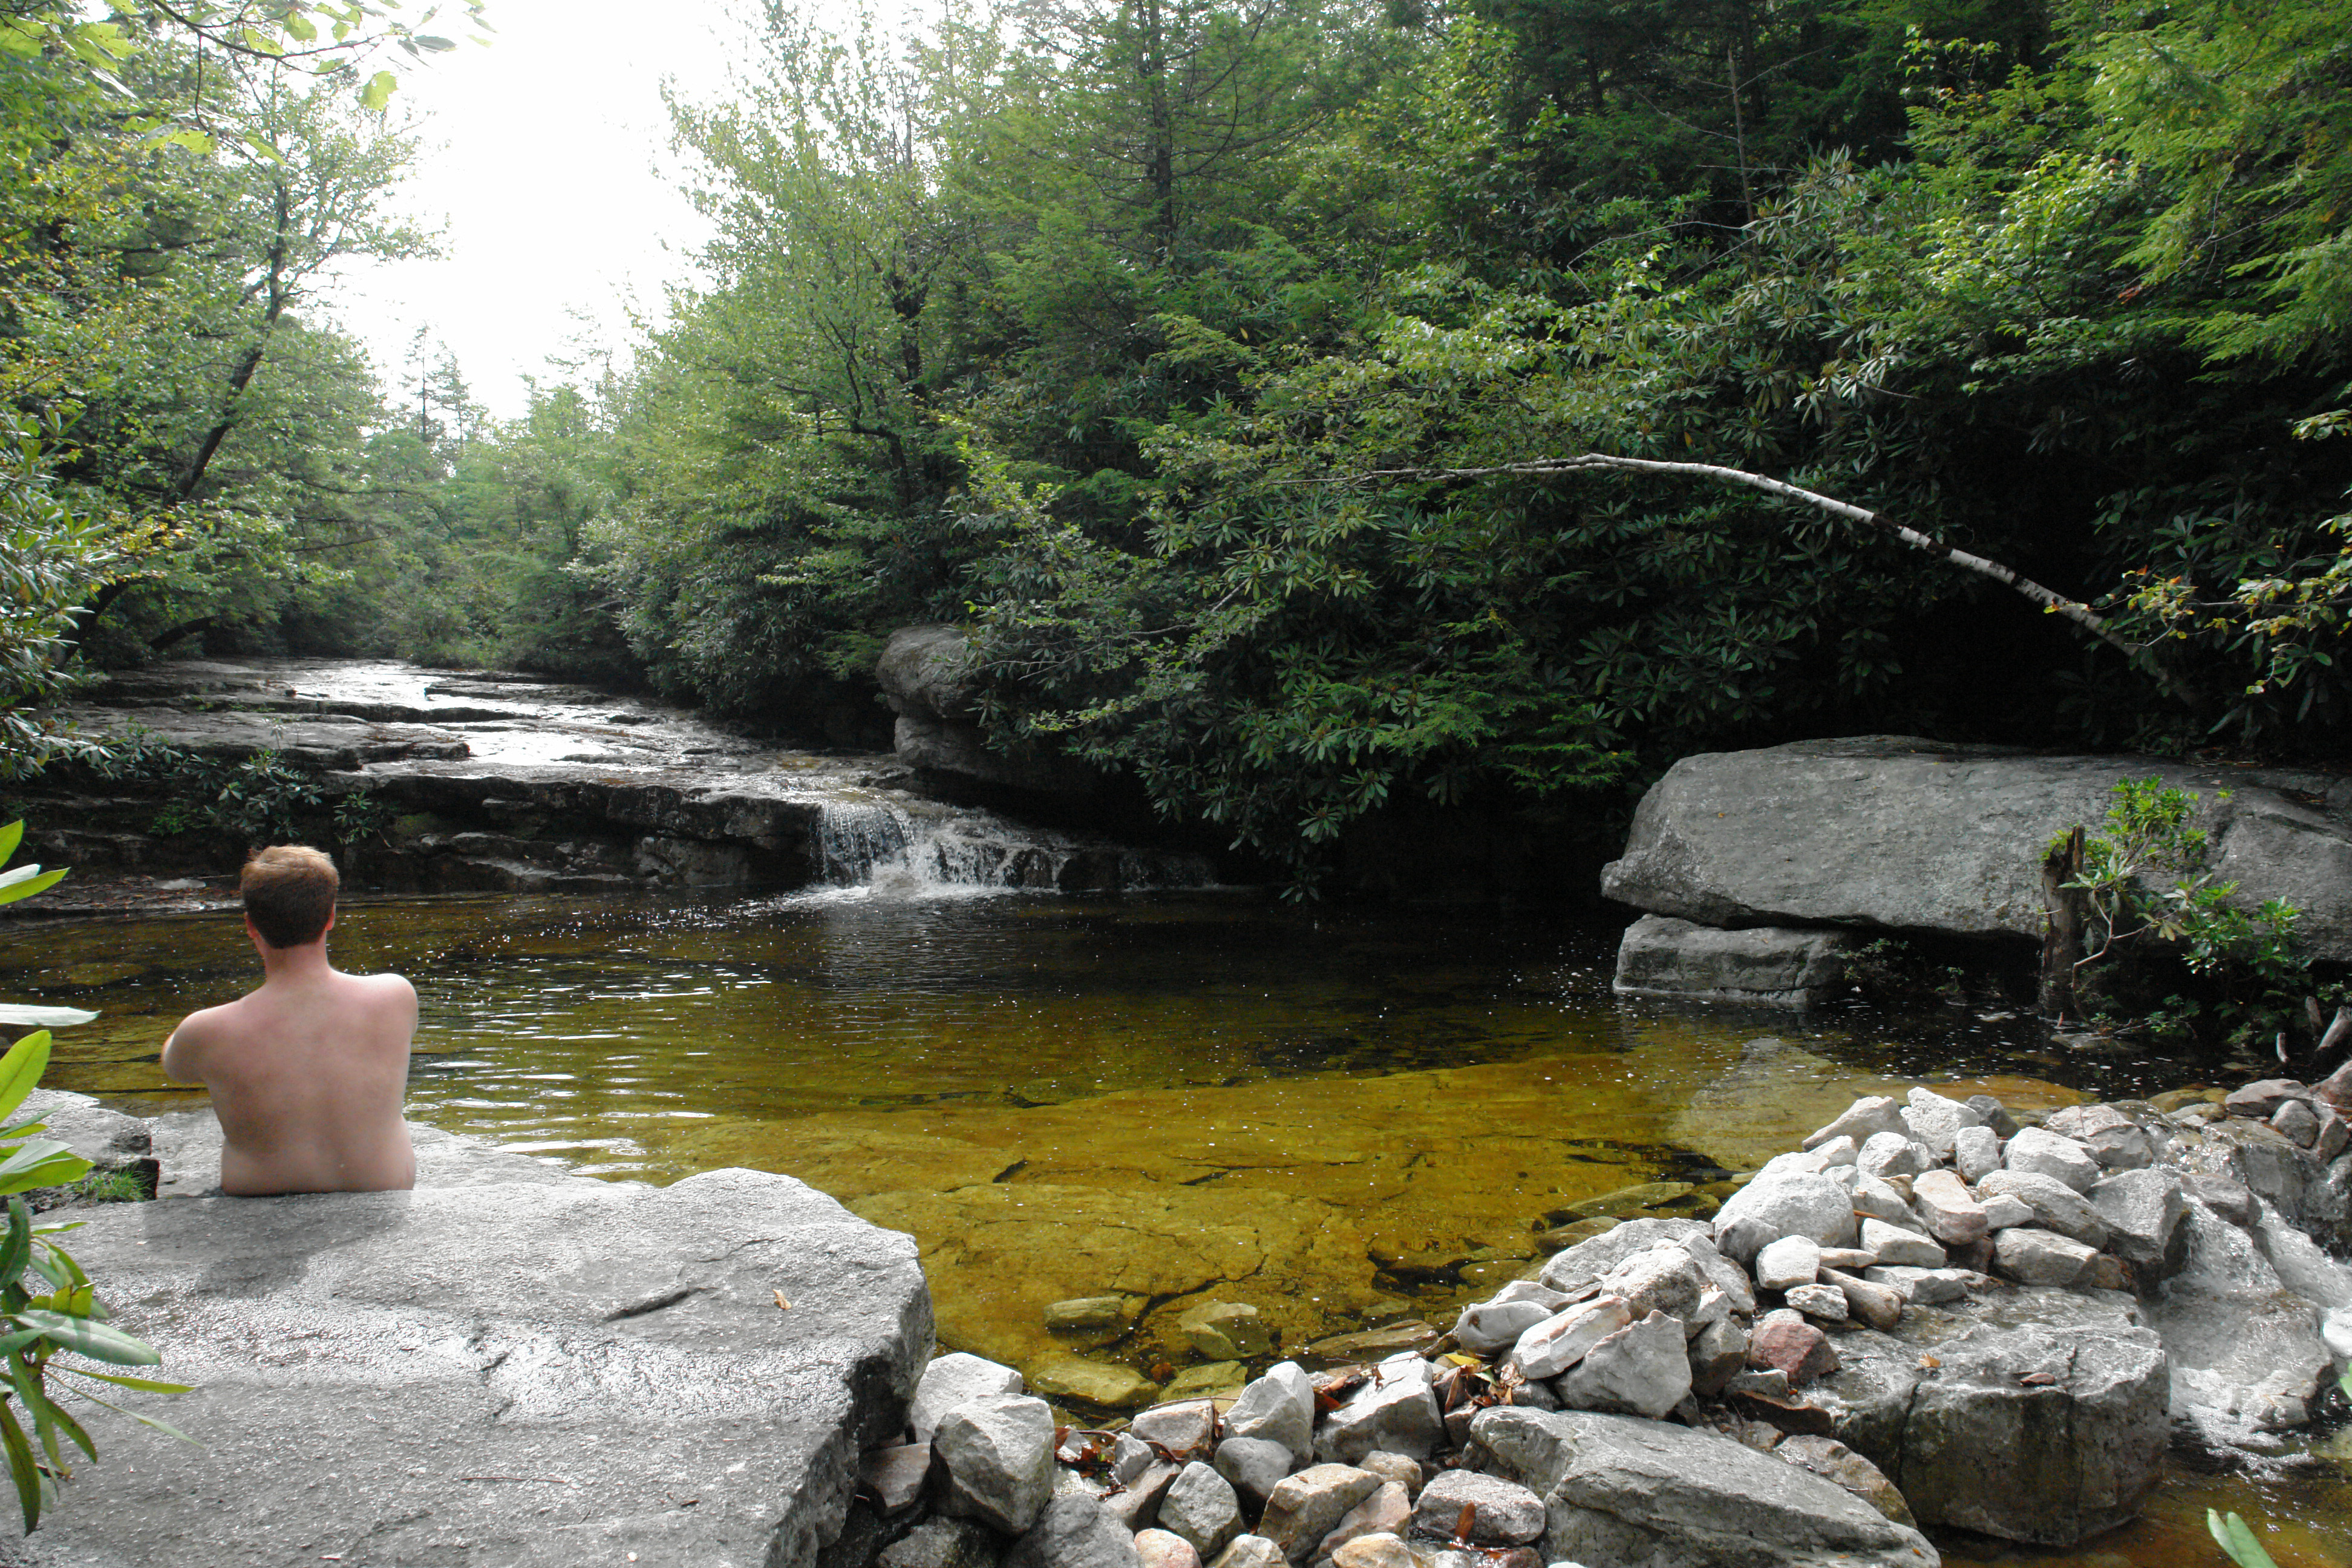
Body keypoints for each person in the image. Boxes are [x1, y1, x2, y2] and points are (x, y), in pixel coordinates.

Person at [162, 844, 417, 1195]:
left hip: (258, 1194)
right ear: (330, 916)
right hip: (382, 1187)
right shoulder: (395, 996)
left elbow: (175, 1067)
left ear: (251, 926)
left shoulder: (207, 1029)